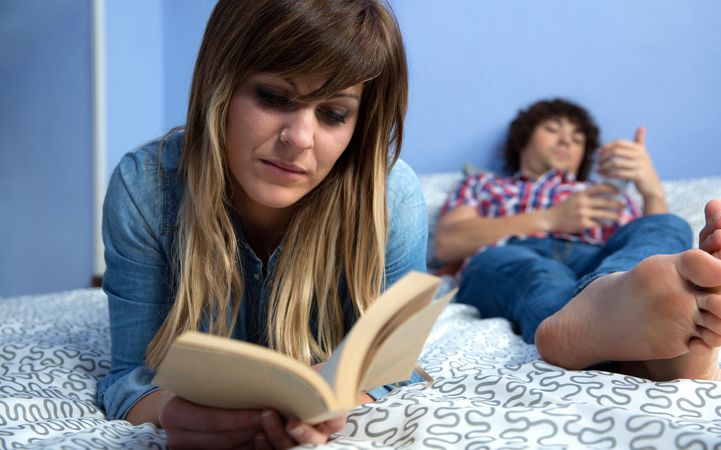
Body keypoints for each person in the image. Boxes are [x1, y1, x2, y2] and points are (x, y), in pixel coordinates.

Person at [97, 1, 427, 448]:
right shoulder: (145, 189)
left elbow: (394, 368)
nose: (299, 139)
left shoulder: (389, 198)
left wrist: (338, 398)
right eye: (274, 97)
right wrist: (174, 412)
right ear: (220, 84)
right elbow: (130, 376)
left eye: (333, 113)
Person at [435, 98, 721, 381]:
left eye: (576, 138)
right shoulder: (483, 184)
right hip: (510, 254)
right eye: (553, 129)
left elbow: (648, 243)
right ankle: (603, 328)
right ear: (523, 140)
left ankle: (618, 311)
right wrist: (550, 218)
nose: (565, 141)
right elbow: (447, 242)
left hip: (602, 265)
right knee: (541, 275)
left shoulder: (607, 193)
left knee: (668, 224)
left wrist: (651, 190)